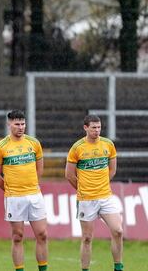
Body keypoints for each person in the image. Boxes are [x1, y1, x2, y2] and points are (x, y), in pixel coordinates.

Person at [0, 110, 49, 271]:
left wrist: (31, 185)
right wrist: (11, 189)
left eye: (23, 124)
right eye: (17, 124)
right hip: (14, 197)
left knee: (42, 234)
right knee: (18, 236)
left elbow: (39, 169)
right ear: (9, 124)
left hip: (34, 195)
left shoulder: (34, 143)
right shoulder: (0, 147)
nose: (21, 127)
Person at [65, 115, 123, 271]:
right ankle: (85, 269)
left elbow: (112, 170)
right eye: (93, 128)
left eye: (99, 127)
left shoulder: (108, 145)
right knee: (87, 238)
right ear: (85, 128)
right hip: (86, 199)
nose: (97, 131)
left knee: (118, 231)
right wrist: (84, 188)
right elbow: (69, 175)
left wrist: (101, 185)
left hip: (105, 196)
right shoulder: (77, 148)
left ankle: (118, 267)